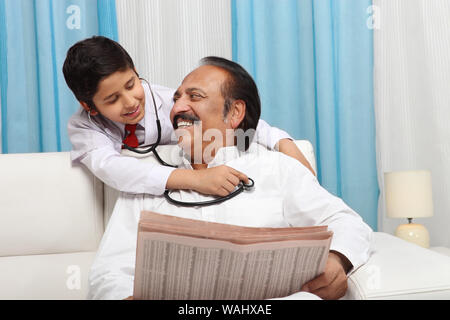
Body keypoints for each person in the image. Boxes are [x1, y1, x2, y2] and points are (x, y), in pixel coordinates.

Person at [87, 56, 373, 300]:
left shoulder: (277, 168)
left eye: (194, 96)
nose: (177, 108)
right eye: (176, 98)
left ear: (235, 112)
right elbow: (110, 270)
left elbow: (347, 223)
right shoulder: (146, 175)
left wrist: (338, 260)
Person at [62, 36, 315, 197]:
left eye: (131, 84)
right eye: (112, 99)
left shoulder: (170, 103)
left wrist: (284, 144)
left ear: (135, 71)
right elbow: (112, 168)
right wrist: (195, 179)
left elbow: (231, 121)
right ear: (90, 106)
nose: (130, 103)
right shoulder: (84, 127)